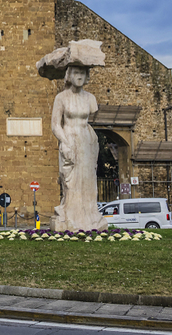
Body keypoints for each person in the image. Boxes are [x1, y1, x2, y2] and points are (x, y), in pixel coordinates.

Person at [50, 64, 109, 232]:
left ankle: (89, 216)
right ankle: (70, 215)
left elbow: (91, 115)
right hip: (69, 139)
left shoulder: (90, 98)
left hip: (87, 140)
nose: (79, 76)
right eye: (76, 72)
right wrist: (65, 142)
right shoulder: (61, 98)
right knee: (70, 180)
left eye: (83, 73)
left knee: (88, 181)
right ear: (69, 75)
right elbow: (55, 125)